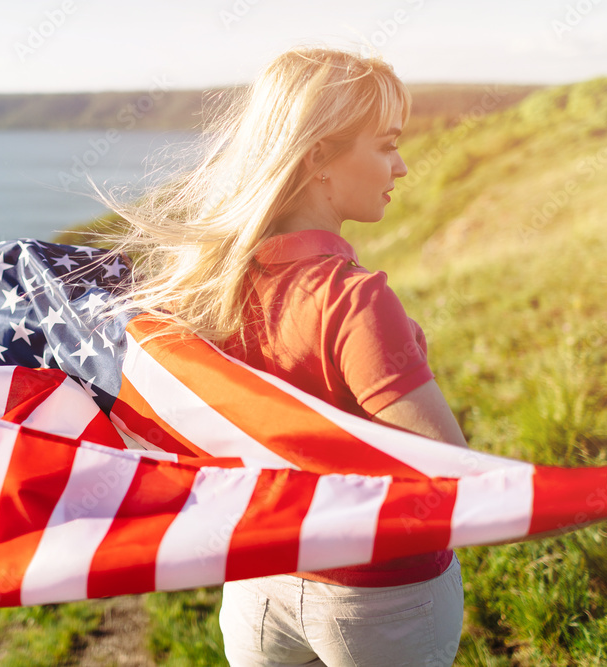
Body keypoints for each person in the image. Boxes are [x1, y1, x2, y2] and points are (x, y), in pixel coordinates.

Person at [91, 45, 465, 665]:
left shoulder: (203, 284)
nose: (400, 167)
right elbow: (452, 478)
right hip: (379, 597)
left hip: (258, 582)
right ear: (318, 155)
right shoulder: (352, 301)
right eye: (385, 144)